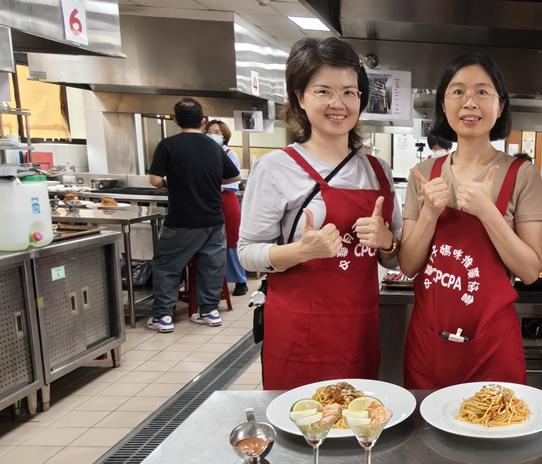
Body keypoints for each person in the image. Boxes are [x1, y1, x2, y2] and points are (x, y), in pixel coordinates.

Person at [237, 38, 402, 391]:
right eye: (324, 91)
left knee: (358, 414)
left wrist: (387, 241)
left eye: (349, 92)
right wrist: (301, 251)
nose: (338, 104)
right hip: (298, 330)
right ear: (300, 96)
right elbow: (247, 252)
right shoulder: (276, 167)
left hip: (358, 329)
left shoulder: (378, 171)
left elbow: (393, 259)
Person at [400, 53, 542, 390]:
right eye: (458, 91)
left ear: (500, 105)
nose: (469, 102)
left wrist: (487, 212)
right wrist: (429, 214)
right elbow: (408, 265)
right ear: (443, 103)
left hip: (492, 348)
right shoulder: (422, 174)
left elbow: (530, 271)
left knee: (495, 421)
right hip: (429, 345)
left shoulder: (522, 175)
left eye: (482, 92)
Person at [146, 97, 241, 333]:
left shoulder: (168, 145)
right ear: (202, 121)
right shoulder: (214, 147)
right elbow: (234, 176)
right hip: (213, 219)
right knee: (211, 266)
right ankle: (209, 311)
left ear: (176, 120)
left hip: (182, 219)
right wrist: (212, 181)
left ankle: (163, 316)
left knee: (167, 266)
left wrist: (169, 181)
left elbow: (155, 180)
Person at [203, 119, 248, 296]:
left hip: (226, 200)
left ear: (224, 136)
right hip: (207, 200)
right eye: (210, 131)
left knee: (231, 240)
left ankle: (240, 280)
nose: (213, 135)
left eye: (217, 132)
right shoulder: (203, 153)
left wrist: (215, 184)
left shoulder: (230, 154)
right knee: (211, 243)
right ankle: (214, 282)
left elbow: (233, 181)